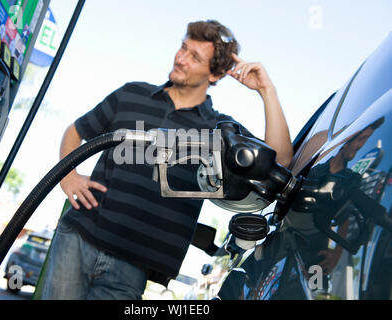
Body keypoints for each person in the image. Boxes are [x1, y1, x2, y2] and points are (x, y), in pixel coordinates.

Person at [41, 20, 293, 300]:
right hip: (79, 236)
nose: (181, 58)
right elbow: (75, 131)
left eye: (194, 57)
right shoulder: (132, 93)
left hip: (135, 262)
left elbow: (279, 160)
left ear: (216, 74)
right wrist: (68, 176)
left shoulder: (218, 130)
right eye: (183, 48)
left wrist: (266, 91)